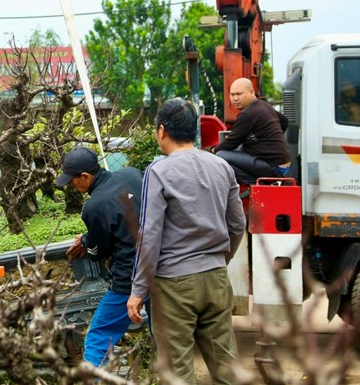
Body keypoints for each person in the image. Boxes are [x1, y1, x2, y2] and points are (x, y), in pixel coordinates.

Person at [127, 98, 245, 385]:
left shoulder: (159, 171)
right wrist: (220, 260)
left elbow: (150, 234)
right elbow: (238, 224)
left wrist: (138, 289)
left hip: (175, 284)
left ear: (162, 130)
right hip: (216, 278)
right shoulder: (222, 166)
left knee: (178, 371)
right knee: (226, 366)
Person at [55, 146, 146, 368]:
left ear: (85, 177)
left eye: (72, 181)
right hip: (161, 266)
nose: (71, 186)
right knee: (163, 333)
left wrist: (87, 243)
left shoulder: (94, 206)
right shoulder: (133, 174)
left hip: (129, 278)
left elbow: (99, 252)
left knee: (97, 337)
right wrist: (89, 237)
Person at [213, 77, 290, 185]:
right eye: (232, 94)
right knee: (241, 148)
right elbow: (284, 122)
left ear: (251, 92)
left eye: (239, 94)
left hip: (274, 167)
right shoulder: (264, 105)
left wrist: (212, 151)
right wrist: (267, 140)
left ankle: (257, 184)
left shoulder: (248, 114)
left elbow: (231, 142)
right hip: (283, 164)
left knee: (221, 155)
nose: (235, 98)